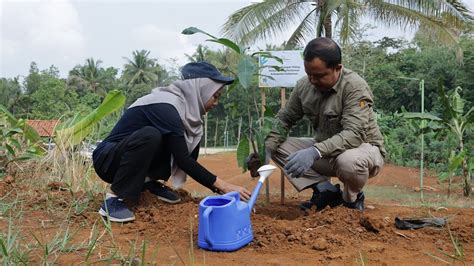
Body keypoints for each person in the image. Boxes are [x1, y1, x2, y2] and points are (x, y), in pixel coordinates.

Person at [93, 61, 251, 222]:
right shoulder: (167, 105)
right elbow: (183, 159)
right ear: (200, 89)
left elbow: (184, 154)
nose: (216, 103)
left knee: (186, 135)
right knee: (151, 134)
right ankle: (113, 200)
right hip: (108, 160)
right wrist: (222, 186)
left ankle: (147, 183)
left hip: (129, 159)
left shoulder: (187, 111)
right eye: (215, 96)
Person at [265, 37, 386, 211]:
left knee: (348, 161)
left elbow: (354, 134)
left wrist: (314, 151)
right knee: (277, 145)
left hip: (362, 150)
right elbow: (285, 119)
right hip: (326, 151)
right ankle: (324, 190)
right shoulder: (303, 86)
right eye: (309, 74)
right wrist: (266, 149)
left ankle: (351, 199)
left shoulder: (355, 87)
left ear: (338, 68)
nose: (313, 80)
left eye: (319, 75)